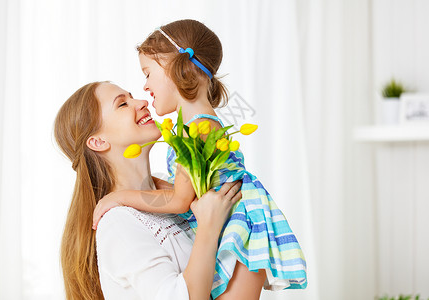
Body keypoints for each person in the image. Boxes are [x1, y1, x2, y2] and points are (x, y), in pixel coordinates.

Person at [93, 19, 308, 299]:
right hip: (235, 219)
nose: (145, 86)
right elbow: (191, 191)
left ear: (174, 68)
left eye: (147, 73)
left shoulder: (199, 130)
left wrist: (116, 198)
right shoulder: (196, 124)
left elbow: (180, 201)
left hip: (241, 225)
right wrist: (154, 184)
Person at [54, 81, 243, 300]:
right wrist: (209, 227)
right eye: (123, 104)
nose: (142, 102)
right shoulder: (118, 223)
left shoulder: (174, 191)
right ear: (98, 141)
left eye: (132, 96)